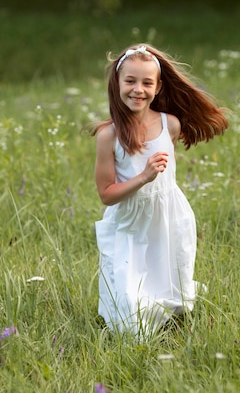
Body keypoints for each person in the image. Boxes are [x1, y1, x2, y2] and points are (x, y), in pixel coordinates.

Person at [90, 44, 228, 335]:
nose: (137, 89)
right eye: (130, 81)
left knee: (169, 285)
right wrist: (143, 176)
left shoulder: (170, 125)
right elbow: (106, 194)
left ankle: (172, 324)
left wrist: (154, 179)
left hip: (167, 215)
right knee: (129, 312)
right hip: (130, 222)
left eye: (146, 82)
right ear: (117, 83)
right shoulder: (108, 135)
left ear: (158, 86)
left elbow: (166, 176)